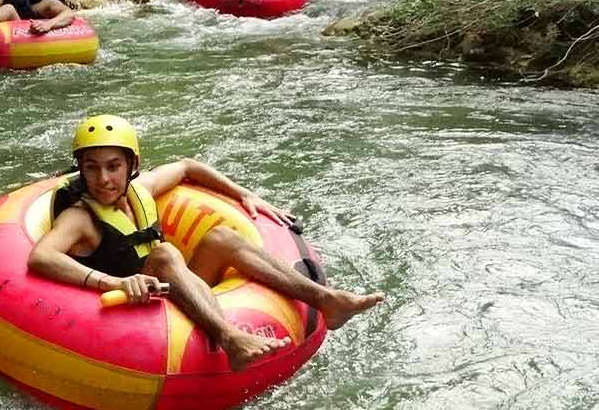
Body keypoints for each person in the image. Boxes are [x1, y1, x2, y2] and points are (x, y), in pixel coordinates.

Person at [27, 115, 385, 373]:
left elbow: (186, 167)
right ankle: (230, 339)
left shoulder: (142, 189)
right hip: (134, 312)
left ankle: (326, 300)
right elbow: (41, 257)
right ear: (80, 169)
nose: (103, 178)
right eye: (91, 168)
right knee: (166, 253)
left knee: (223, 238)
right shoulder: (80, 217)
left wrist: (245, 194)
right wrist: (115, 282)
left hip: (172, 289)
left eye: (113, 166)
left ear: (132, 165)